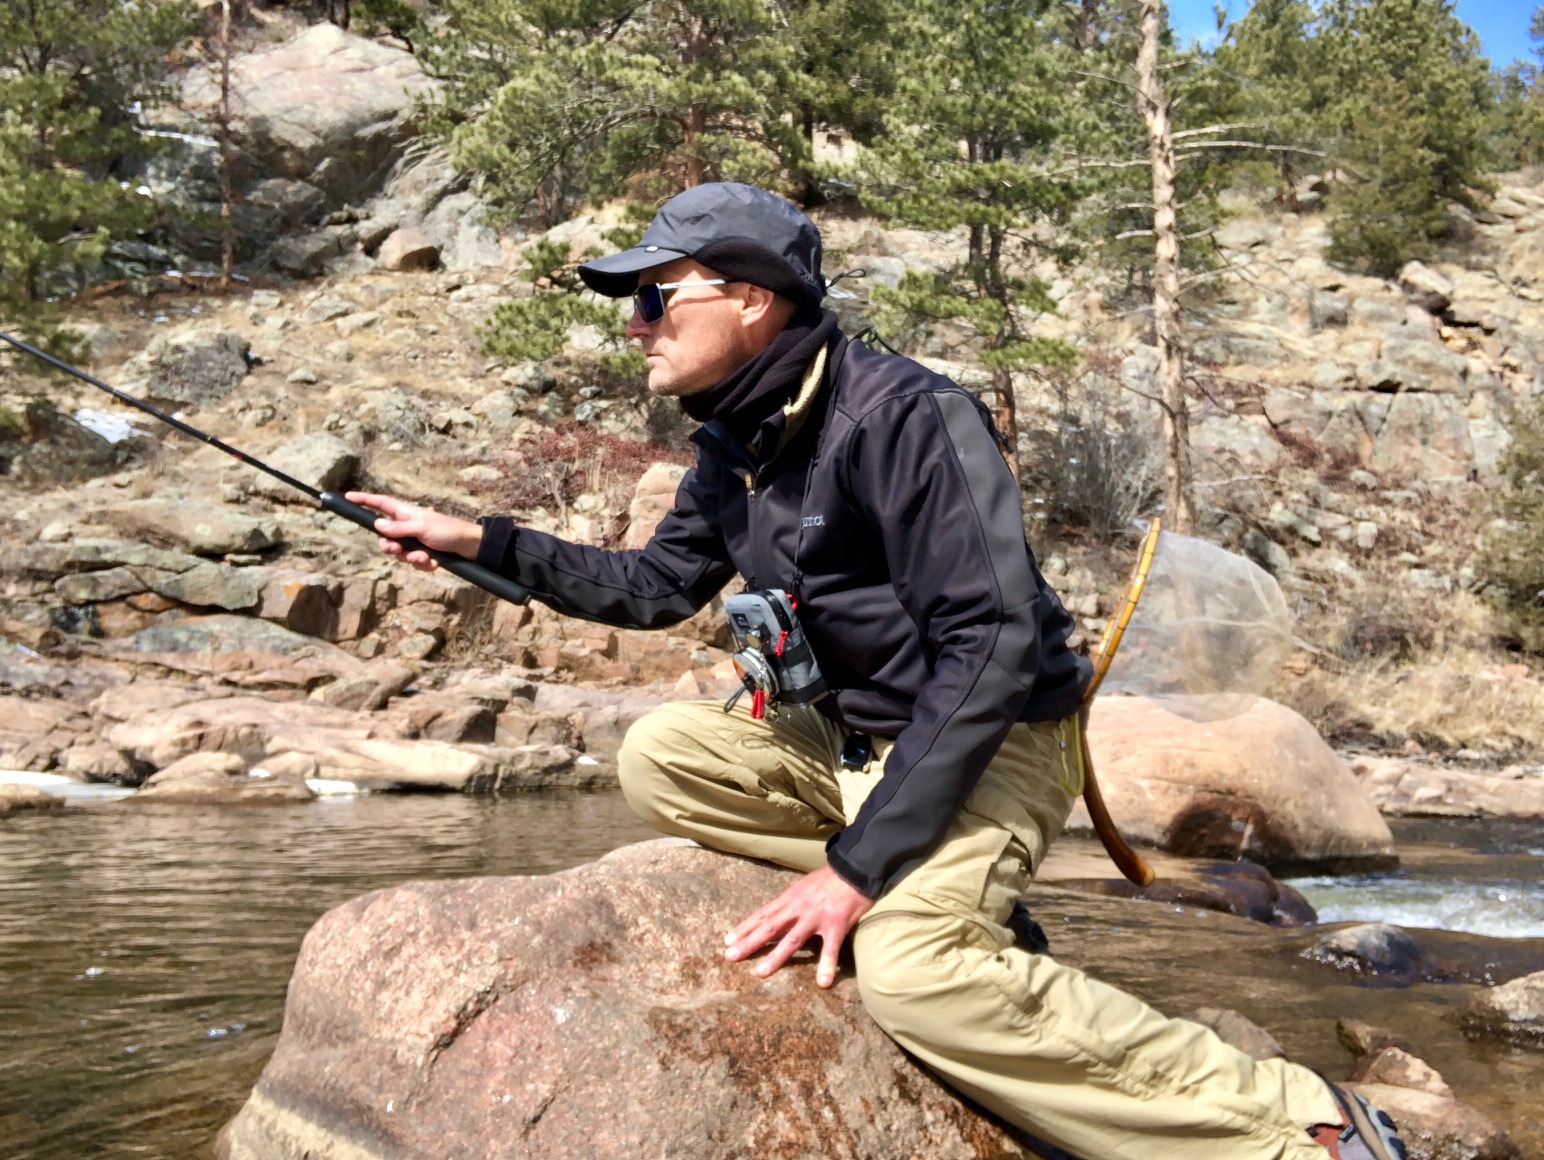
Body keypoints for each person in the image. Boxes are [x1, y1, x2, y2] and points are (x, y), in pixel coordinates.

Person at [348, 182, 1406, 1160]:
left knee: (914, 976)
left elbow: (988, 642)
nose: (634, 323)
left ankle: (1298, 1122)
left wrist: (854, 871)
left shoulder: (903, 413)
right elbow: (655, 585)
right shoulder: (734, 442)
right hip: (847, 739)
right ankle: (950, 897)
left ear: (751, 298)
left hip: (991, 744)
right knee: (659, 754)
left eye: (654, 295)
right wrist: (473, 538)